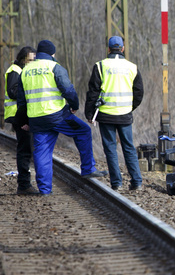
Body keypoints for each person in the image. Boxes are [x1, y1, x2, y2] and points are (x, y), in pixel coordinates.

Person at [15, 39, 106, 195]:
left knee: (42, 152)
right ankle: (88, 169)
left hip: (37, 119)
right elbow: (68, 90)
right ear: (52, 53)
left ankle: (44, 190)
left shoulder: (25, 71)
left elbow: (21, 101)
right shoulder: (54, 67)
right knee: (83, 131)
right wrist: (74, 105)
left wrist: (24, 120)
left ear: (38, 54)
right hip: (57, 116)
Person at [85, 36, 144, 191]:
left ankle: (116, 183)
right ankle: (137, 181)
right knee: (129, 147)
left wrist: (90, 113)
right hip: (125, 114)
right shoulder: (132, 67)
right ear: (123, 49)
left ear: (109, 49)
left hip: (106, 114)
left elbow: (93, 92)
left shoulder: (100, 66)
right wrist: (130, 107)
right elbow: (139, 93)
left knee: (110, 148)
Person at [4, 46, 39, 195]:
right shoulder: (15, 71)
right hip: (17, 115)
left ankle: (25, 183)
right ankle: (24, 185)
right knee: (24, 150)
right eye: (30, 60)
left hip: (22, 114)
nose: (32, 63)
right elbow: (12, 91)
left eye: (34, 60)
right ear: (23, 59)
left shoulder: (22, 70)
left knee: (26, 149)